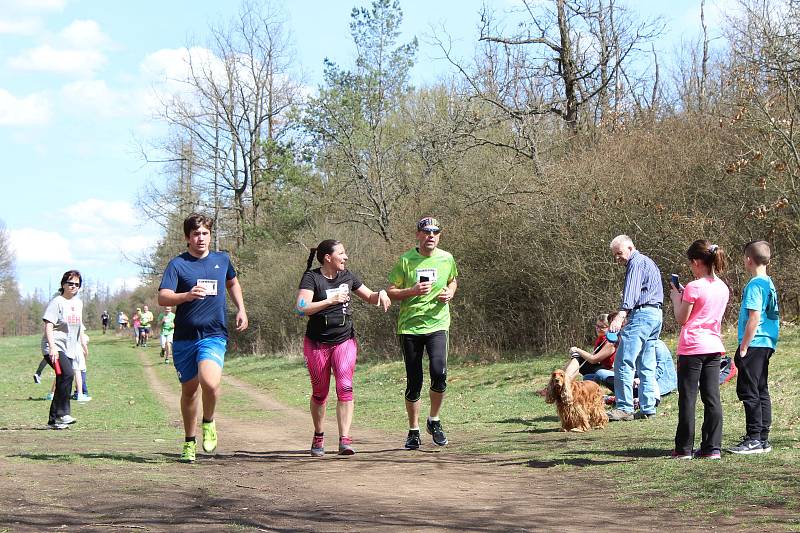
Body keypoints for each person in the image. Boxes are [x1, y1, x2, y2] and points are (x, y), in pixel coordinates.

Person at [158, 213, 248, 463]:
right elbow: (163, 297)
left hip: (213, 334)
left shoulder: (222, 259)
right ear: (188, 237)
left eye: (205, 233)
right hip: (185, 337)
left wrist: (241, 308)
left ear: (210, 235)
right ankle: (189, 442)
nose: (201, 238)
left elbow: (233, 283)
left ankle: (208, 421)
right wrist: (185, 296)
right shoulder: (178, 265)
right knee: (189, 391)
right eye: (196, 234)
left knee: (210, 383)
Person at [295, 239, 391, 457]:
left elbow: (370, 297)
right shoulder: (312, 278)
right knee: (320, 393)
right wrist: (330, 301)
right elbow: (301, 308)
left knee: (345, 386)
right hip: (317, 343)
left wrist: (382, 293)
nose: (346, 257)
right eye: (342, 253)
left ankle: (344, 439)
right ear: (328, 257)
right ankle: (319, 436)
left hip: (344, 340)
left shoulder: (348, 276)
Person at [387, 216, 459, 449]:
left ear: (439, 236)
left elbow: (453, 280)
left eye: (435, 232)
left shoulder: (447, 258)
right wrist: (412, 290)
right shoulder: (406, 260)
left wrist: (450, 292)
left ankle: (434, 420)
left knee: (439, 373)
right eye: (426, 232)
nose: (431, 236)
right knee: (414, 381)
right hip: (410, 327)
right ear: (418, 235)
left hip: (438, 324)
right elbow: (391, 291)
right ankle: (413, 430)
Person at [669, 240, 729, 460]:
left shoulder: (694, 287)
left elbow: (681, 318)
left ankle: (683, 448)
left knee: (688, 398)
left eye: (691, 263)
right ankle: (712, 447)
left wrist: (677, 298)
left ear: (696, 262)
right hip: (714, 347)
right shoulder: (723, 287)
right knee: (712, 397)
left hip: (692, 346)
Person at [727, 240, 780, 455]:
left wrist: (743, 346)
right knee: (760, 389)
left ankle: (754, 438)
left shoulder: (755, 285)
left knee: (749, 390)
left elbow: (754, 317)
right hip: (767, 342)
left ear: (748, 260)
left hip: (755, 343)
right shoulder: (769, 283)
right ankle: (762, 437)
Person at [607, 235, 664, 421]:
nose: (618, 258)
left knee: (623, 361)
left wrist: (621, 315)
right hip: (656, 315)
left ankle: (624, 408)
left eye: (619, 253)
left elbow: (631, 291)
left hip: (642, 315)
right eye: (615, 255)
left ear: (630, 248)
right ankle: (648, 408)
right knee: (646, 364)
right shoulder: (649, 262)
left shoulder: (636, 263)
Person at [41, 270, 84, 429]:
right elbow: (49, 325)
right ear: (63, 284)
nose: (73, 286)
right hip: (54, 347)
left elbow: (78, 325)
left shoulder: (78, 303)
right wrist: (52, 347)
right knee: (67, 374)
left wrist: (82, 342)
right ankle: (62, 413)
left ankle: (53, 421)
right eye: (70, 283)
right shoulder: (57, 302)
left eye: (77, 284)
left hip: (70, 348)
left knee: (62, 379)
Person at [566, 312, 618, 390]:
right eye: (597, 326)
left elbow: (594, 359)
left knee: (578, 356)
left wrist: (578, 349)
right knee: (577, 357)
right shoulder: (601, 338)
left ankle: (564, 384)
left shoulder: (611, 342)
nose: (598, 329)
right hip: (601, 367)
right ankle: (562, 381)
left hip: (609, 371)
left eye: (602, 327)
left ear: (610, 328)